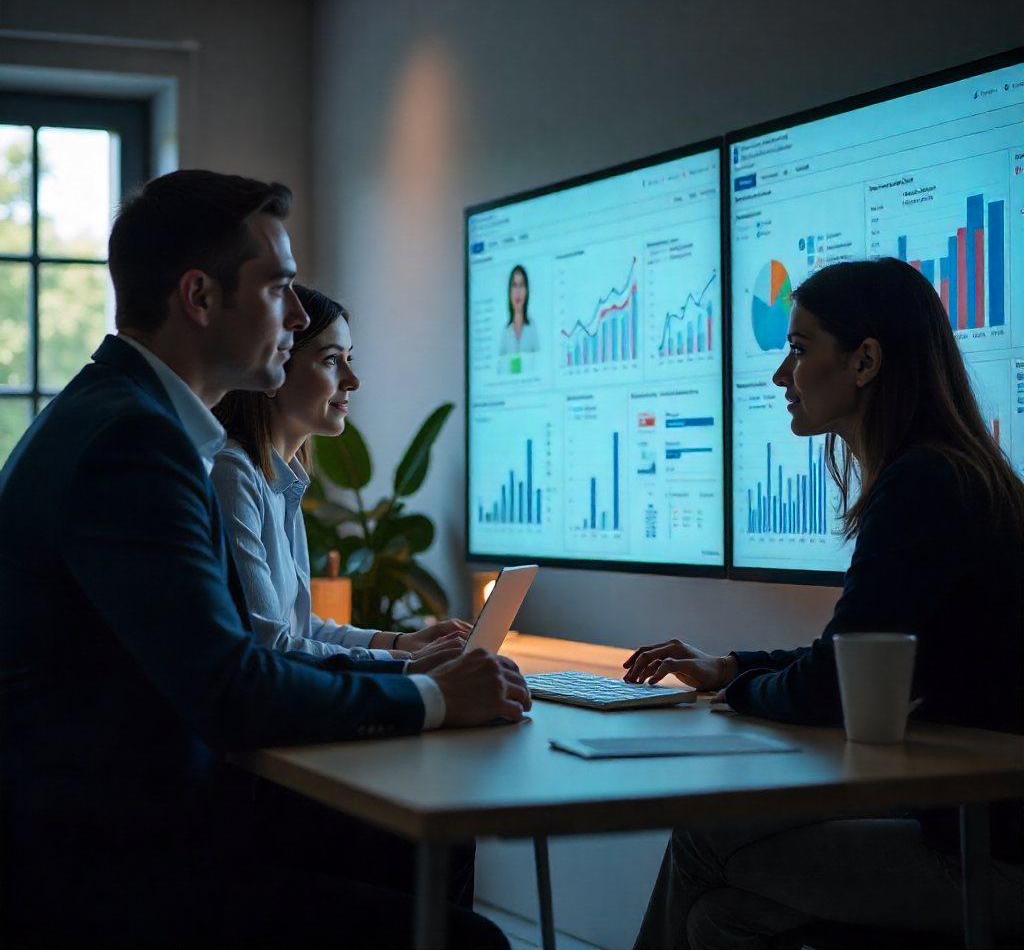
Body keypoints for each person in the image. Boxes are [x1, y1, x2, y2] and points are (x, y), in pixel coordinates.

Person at [0, 169, 527, 950]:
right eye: (280, 287)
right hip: (107, 869)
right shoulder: (134, 443)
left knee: (428, 846)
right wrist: (432, 696)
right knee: (472, 940)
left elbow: (234, 660)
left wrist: (417, 678)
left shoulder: (126, 415)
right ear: (200, 297)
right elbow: (231, 684)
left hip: (133, 820)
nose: (301, 314)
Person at [624, 258, 1024, 950]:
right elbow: (862, 657)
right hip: (967, 825)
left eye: (800, 349)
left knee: (704, 834)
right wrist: (732, 665)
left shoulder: (923, 484)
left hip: (993, 856)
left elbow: (832, 684)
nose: (782, 375)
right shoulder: (946, 471)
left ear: (865, 361)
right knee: (718, 918)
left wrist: (736, 692)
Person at [212, 283, 469, 662]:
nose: (353, 380)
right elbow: (272, 647)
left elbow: (302, 629)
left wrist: (402, 643)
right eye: (332, 359)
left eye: (349, 358)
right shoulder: (233, 473)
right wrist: (407, 666)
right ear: (272, 369)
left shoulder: (283, 484)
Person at [498, 264, 540, 355]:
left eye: (521, 285)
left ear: (526, 291)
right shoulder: (505, 333)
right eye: (514, 286)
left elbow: (538, 360)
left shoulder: (532, 328)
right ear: (510, 292)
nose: (518, 291)